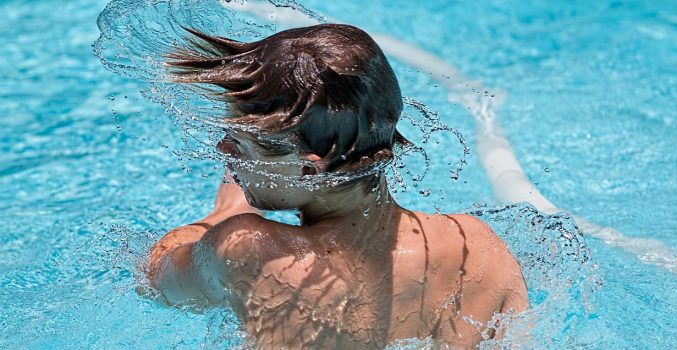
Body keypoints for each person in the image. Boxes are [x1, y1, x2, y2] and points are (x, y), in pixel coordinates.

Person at [148, 23, 528, 349]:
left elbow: (156, 276)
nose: (222, 150)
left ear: (309, 172)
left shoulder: (250, 250)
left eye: (240, 144)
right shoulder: (478, 248)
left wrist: (227, 213)